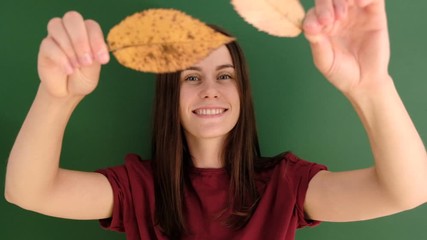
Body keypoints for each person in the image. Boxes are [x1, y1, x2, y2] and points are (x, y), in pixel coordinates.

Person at [4, 0, 427, 239]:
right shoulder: (139, 190)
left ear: (242, 91)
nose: (210, 89)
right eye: (192, 77)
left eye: (225, 76)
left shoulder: (285, 185)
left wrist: (370, 86)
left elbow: (407, 192)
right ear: (170, 97)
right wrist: (58, 97)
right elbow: (29, 192)